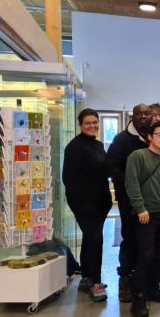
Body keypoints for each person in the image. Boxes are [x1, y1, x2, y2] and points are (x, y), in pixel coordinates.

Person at [125, 121, 160, 317]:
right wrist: (140, 208)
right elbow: (131, 184)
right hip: (146, 215)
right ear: (149, 137)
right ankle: (138, 297)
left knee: (159, 255)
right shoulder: (138, 156)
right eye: (159, 135)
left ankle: (153, 289)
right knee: (145, 256)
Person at [62, 108, 112, 302]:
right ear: (80, 125)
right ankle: (97, 283)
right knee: (96, 240)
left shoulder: (98, 145)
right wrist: (81, 206)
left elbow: (104, 170)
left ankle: (86, 278)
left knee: (90, 240)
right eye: (87, 123)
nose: (92, 126)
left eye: (95, 122)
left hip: (100, 204)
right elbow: (69, 180)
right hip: (85, 206)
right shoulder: (74, 148)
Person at [106, 103, 151, 303]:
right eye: (139, 113)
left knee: (147, 241)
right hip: (128, 200)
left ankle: (145, 279)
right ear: (132, 116)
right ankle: (125, 279)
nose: (143, 116)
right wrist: (130, 183)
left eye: (147, 113)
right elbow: (111, 167)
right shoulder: (121, 140)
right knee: (130, 239)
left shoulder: (152, 138)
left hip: (150, 200)